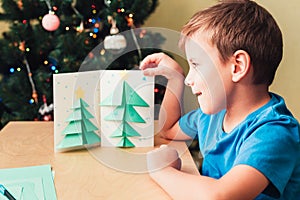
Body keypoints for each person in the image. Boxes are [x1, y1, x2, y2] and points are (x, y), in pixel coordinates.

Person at [139, 0, 300, 199]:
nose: (190, 80)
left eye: (196, 65)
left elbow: (219, 197)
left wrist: (160, 170)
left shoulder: (274, 132)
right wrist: (175, 79)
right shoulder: (214, 115)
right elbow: (168, 132)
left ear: (237, 67)